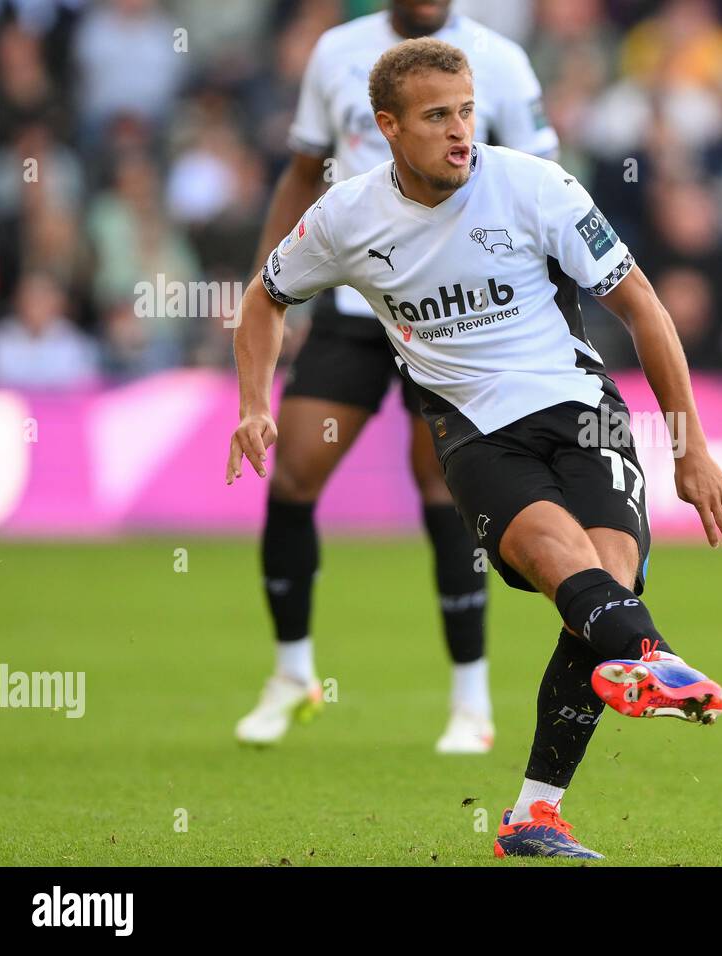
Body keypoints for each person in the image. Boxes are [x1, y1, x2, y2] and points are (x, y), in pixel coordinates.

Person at [228, 38, 722, 858]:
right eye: (437, 117)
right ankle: (651, 656)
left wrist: (689, 449)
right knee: (562, 565)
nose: (460, 130)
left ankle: (537, 813)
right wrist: (256, 403)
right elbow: (264, 298)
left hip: (584, 408)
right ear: (388, 127)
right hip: (473, 432)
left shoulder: (538, 186)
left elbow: (644, 306)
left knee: (604, 588)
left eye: (467, 111)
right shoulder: (347, 218)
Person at [235, 0, 560, 754]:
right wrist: (272, 281)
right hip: (356, 304)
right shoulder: (335, 53)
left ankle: (470, 700)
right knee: (293, 476)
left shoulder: (500, 59)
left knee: (443, 491)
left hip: (451, 312)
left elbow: (545, 180)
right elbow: (302, 171)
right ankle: (291, 674)